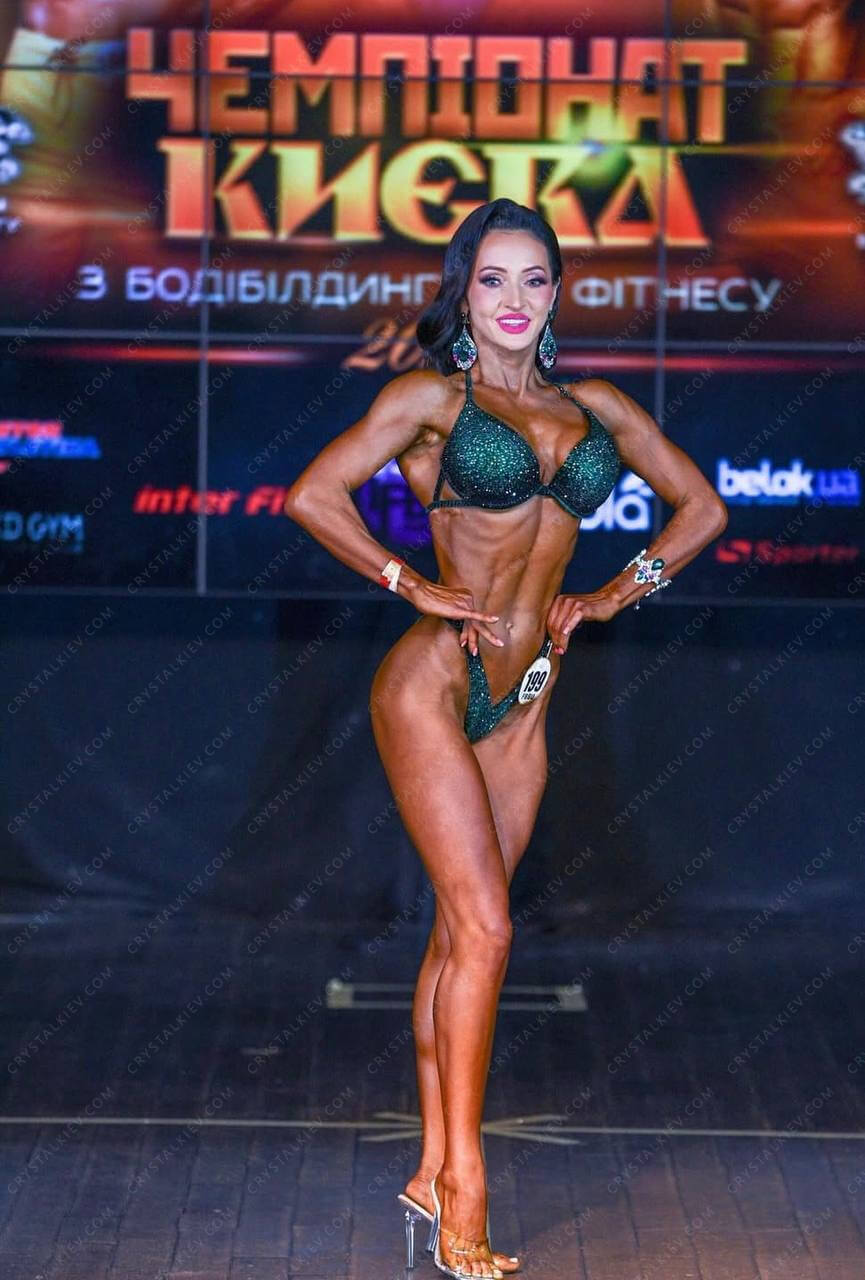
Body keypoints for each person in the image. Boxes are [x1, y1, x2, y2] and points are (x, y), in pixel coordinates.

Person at [284, 197, 727, 1279]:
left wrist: (614, 592)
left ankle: (431, 1168)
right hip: (433, 682)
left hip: (523, 693)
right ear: (464, 292)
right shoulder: (430, 400)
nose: (514, 298)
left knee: (458, 935)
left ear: (557, 291)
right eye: (492, 279)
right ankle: (468, 1185)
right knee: (486, 930)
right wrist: (408, 582)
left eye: (533, 278)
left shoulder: (597, 407)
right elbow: (311, 495)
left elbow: (703, 508)